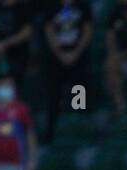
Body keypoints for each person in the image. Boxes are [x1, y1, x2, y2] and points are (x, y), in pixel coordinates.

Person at [42, 0, 93, 142]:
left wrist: (75, 53)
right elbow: (49, 30)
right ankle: (51, 132)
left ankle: (80, 130)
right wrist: (60, 53)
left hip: (78, 57)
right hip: (56, 59)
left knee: (79, 94)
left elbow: (88, 30)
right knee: (54, 95)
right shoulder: (51, 6)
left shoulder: (83, 5)